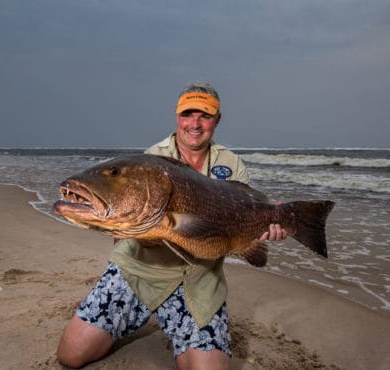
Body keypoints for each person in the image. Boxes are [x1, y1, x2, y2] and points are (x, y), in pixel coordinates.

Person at [56, 81, 287, 369]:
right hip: (139, 270)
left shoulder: (232, 165)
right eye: (187, 114)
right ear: (177, 116)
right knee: (71, 354)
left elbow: (240, 220)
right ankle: (126, 315)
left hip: (198, 278)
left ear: (217, 119)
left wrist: (267, 227)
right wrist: (103, 289)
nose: (195, 123)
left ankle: (177, 325)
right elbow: (125, 226)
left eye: (205, 115)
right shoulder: (152, 158)